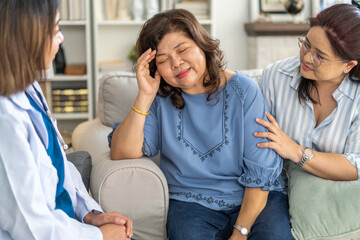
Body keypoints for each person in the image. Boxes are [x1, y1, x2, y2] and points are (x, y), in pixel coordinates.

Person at [109, 9, 293, 240]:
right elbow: (122, 152)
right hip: (190, 203)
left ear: (202, 45)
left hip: (256, 198)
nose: (176, 63)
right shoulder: (158, 99)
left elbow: (261, 171)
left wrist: (240, 232)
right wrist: (145, 96)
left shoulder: (244, 91)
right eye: (163, 60)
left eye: (183, 50)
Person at [0, 1, 133, 239]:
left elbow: (57, 164)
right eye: (55, 29)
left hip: (68, 225)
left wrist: (90, 215)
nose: (61, 39)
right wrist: (100, 237)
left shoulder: (27, 88)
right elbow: (31, 228)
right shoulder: (5, 119)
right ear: (26, 34)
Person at [255, 3, 360, 181]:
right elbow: (257, 140)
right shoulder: (276, 76)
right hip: (276, 184)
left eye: (320, 56)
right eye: (306, 45)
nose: (306, 58)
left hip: (334, 194)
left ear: (348, 65)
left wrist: (296, 151)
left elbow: (355, 165)